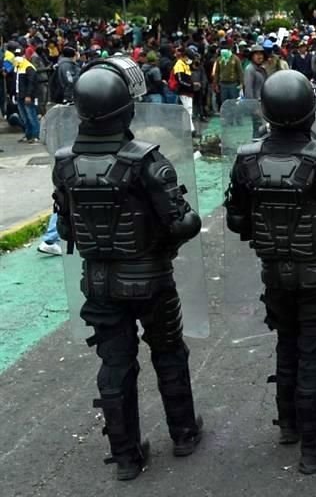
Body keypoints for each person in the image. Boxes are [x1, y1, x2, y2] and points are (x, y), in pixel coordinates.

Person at [52, 58, 204, 480]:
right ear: (124, 108)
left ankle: (126, 457)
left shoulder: (65, 163)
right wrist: (166, 235)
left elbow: (66, 227)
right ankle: (184, 432)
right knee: (169, 351)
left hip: (99, 281)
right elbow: (183, 223)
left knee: (115, 366)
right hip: (151, 277)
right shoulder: (145, 162)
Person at [224, 70, 316, 474]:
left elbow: (237, 221)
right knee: (314, 354)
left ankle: (290, 425)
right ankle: (315, 447)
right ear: (311, 110)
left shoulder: (246, 160)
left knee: (287, 343)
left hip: (274, 270)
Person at [12, 47, 40, 143]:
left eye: (19, 55)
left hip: (26, 96)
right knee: (24, 117)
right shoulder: (17, 66)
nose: (17, 57)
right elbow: (15, 82)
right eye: (16, 55)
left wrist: (28, 95)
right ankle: (28, 135)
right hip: (19, 95)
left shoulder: (28, 67)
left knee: (31, 116)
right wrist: (14, 94)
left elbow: (32, 83)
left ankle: (36, 135)